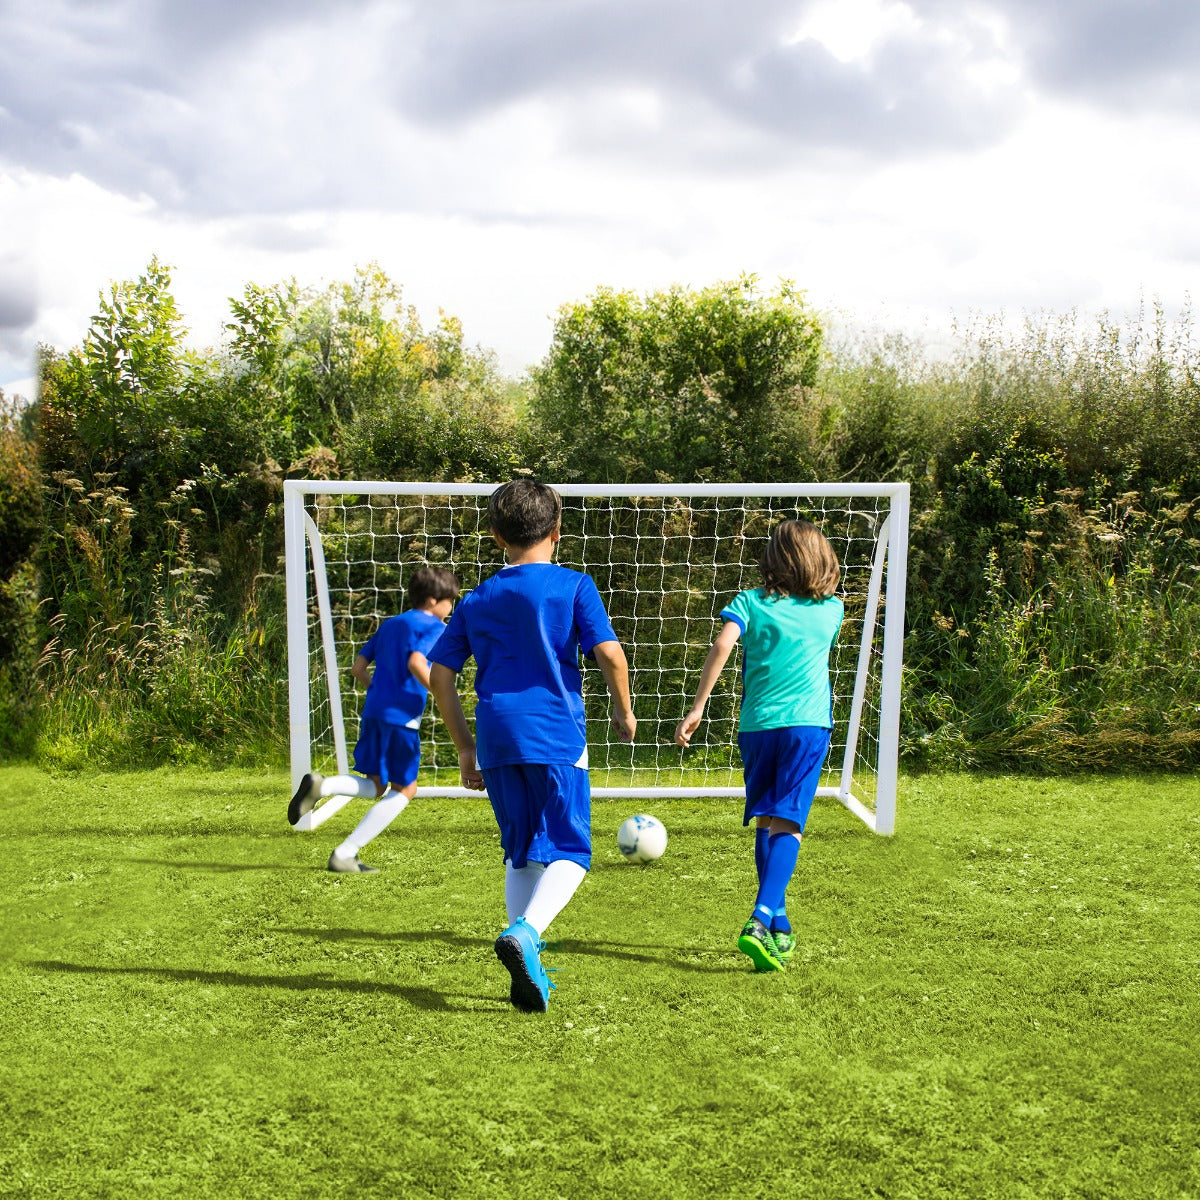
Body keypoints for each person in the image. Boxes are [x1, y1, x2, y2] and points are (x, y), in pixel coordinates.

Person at [428, 480, 636, 1013]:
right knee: (571, 851)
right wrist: (623, 707)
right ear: (557, 532)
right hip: (554, 733)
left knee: (521, 852)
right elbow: (610, 655)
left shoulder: (476, 600)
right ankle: (525, 933)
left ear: (496, 536)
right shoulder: (573, 586)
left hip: (497, 736)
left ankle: (530, 965)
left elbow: (440, 673)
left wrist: (465, 748)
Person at [674, 519, 843, 972]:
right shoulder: (833, 610)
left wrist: (698, 707)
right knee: (789, 821)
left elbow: (722, 646)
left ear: (772, 559)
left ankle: (780, 923)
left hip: (757, 728)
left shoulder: (748, 602)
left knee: (768, 819)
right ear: (821, 559)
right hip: (807, 726)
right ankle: (761, 917)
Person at [288, 565, 461, 873]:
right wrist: (438, 691)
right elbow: (416, 661)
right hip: (401, 720)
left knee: (377, 784)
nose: (452, 607)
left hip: (374, 713)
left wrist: (378, 690)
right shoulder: (434, 626)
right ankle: (345, 852)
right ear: (435, 601)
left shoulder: (391, 624)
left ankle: (322, 787)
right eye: (451, 600)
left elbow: (358, 668)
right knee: (405, 789)